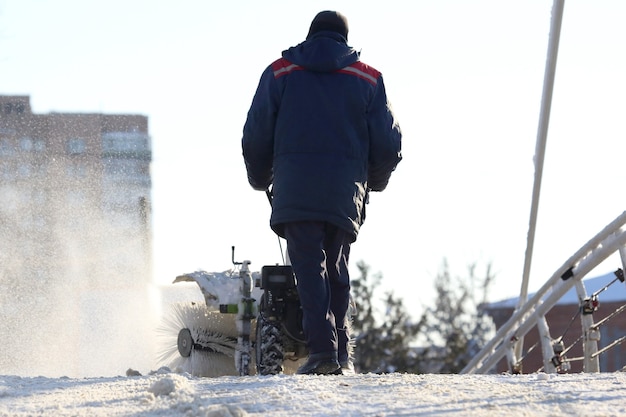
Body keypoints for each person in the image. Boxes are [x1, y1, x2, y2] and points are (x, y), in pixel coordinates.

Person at [242, 10, 402, 375]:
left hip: (295, 188)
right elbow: (390, 145)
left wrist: (258, 176)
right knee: (336, 267)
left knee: (309, 267)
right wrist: (372, 183)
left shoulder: (280, 72)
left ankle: (323, 354)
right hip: (345, 191)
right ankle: (339, 355)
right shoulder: (368, 79)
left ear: (310, 35)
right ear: (344, 40)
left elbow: (256, 133)